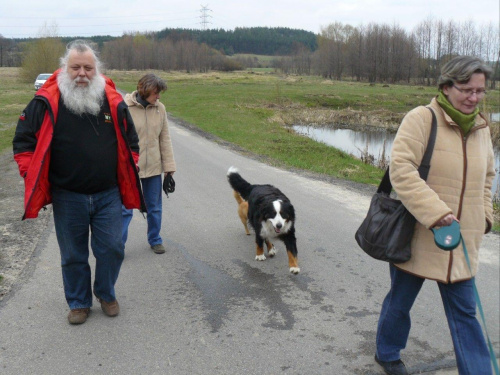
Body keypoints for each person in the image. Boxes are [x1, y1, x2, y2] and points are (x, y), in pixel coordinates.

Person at [374, 55, 496, 375]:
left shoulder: (483, 127)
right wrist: (436, 212)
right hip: (417, 234)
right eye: (466, 89)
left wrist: (484, 215)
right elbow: (401, 170)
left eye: (481, 91)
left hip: (461, 241)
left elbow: (487, 177)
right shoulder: (422, 118)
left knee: (466, 314)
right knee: (400, 303)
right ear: (446, 86)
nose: (474, 98)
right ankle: (387, 353)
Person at [13, 40, 146, 325]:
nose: (82, 73)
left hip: (108, 193)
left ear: (96, 69)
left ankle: (105, 292)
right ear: (65, 68)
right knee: (73, 253)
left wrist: (130, 163)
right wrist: (31, 174)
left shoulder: (113, 101)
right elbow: (23, 143)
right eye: (76, 67)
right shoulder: (46, 101)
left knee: (112, 248)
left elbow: (132, 141)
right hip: (67, 194)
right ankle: (78, 302)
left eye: (88, 67)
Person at [121, 73, 176, 254]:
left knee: (154, 208)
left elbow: (165, 139)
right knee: (125, 209)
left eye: (159, 93)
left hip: (153, 167)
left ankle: (155, 239)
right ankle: (117, 245)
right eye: (155, 92)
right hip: (130, 169)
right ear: (144, 91)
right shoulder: (124, 108)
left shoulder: (160, 109)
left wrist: (169, 168)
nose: (158, 96)